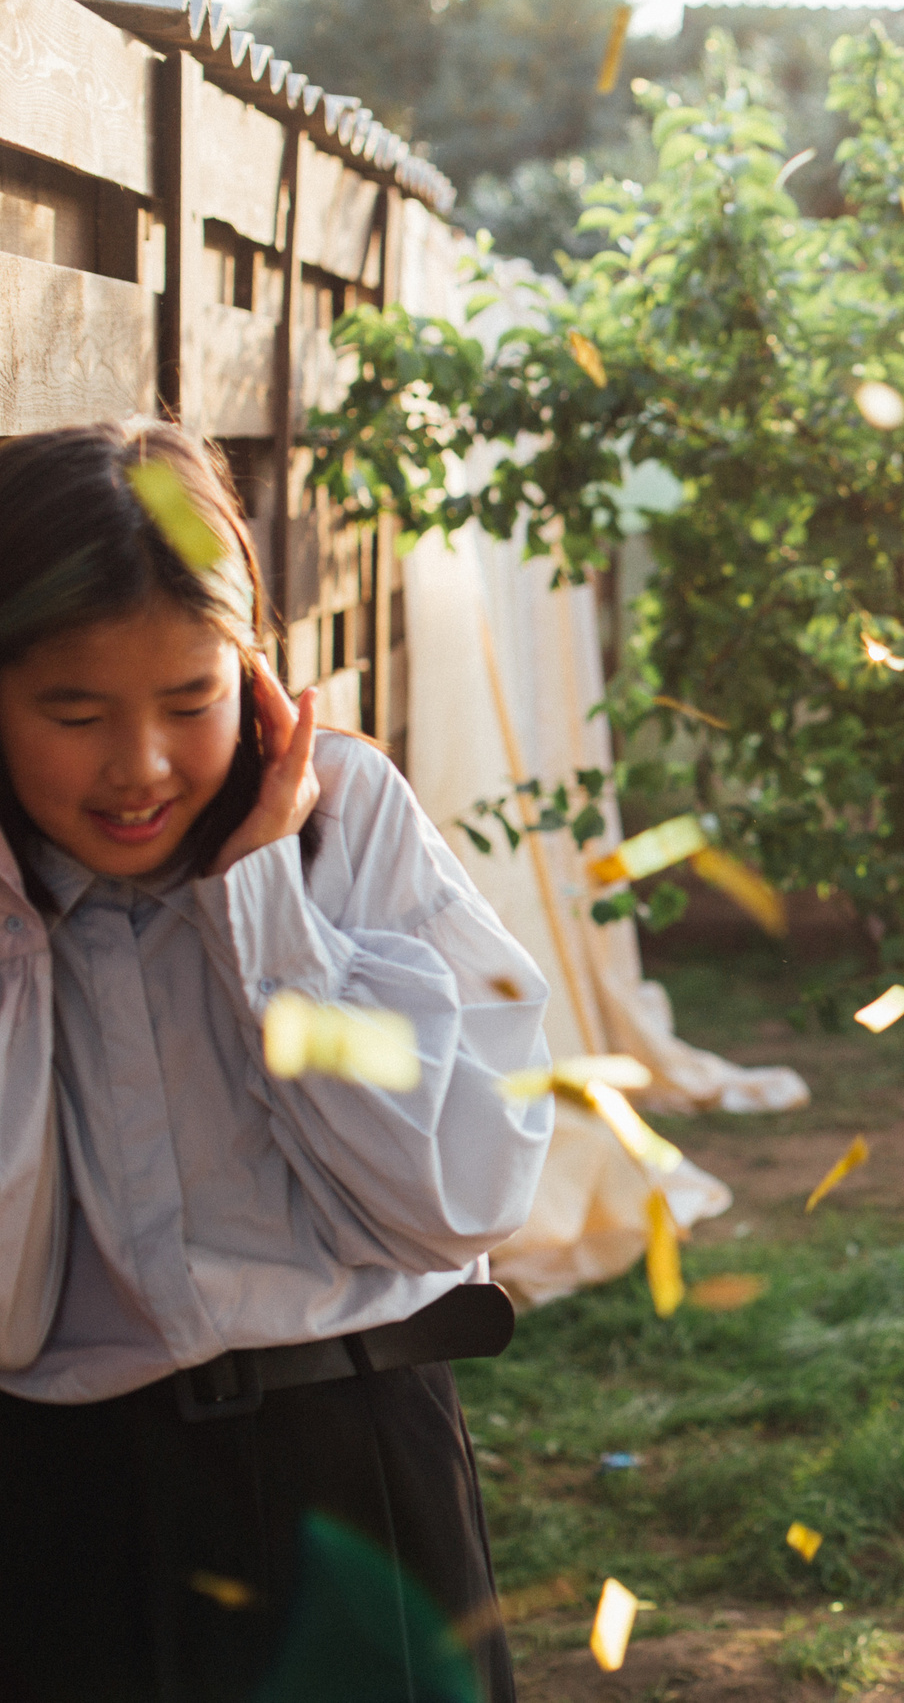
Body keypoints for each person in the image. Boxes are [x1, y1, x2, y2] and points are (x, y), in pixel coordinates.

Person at [0, 422, 555, 1703]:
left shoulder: (348, 826)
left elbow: (455, 1202)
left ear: (253, 673)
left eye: (191, 702)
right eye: (73, 713)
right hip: (67, 1505)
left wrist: (265, 919)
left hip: (355, 1468)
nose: (139, 767)